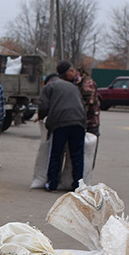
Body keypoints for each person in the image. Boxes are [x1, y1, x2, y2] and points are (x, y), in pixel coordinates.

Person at [35, 60, 86, 191]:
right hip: (79, 123)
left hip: (60, 123)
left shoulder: (50, 87)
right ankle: (78, 185)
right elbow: (82, 105)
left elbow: (43, 106)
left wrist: (40, 117)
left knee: (56, 153)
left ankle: (52, 184)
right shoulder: (74, 88)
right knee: (77, 155)